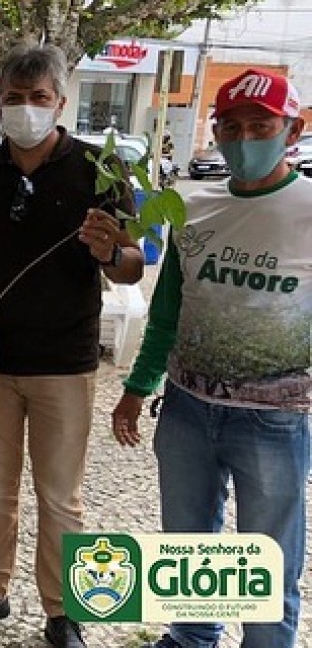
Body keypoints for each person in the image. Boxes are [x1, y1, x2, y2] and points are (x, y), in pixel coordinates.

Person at [0, 44, 144, 648]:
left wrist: (109, 251)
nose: (26, 109)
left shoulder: (100, 173)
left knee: (61, 496)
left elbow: (131, 265)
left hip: (65, 362)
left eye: (39, 99)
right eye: (14, 99)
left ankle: (63, 610)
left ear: (61, 103)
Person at [113, 68, 310, 648]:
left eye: (262, 125)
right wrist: (136, 387)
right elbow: (168, 310)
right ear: (216, 131)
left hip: (274, 418)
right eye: (233, 126)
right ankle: (192, 636)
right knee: (190, 540)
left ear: (291, 129)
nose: (246, 138)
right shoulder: (193, 207)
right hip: (186, 410)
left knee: (269, 557)